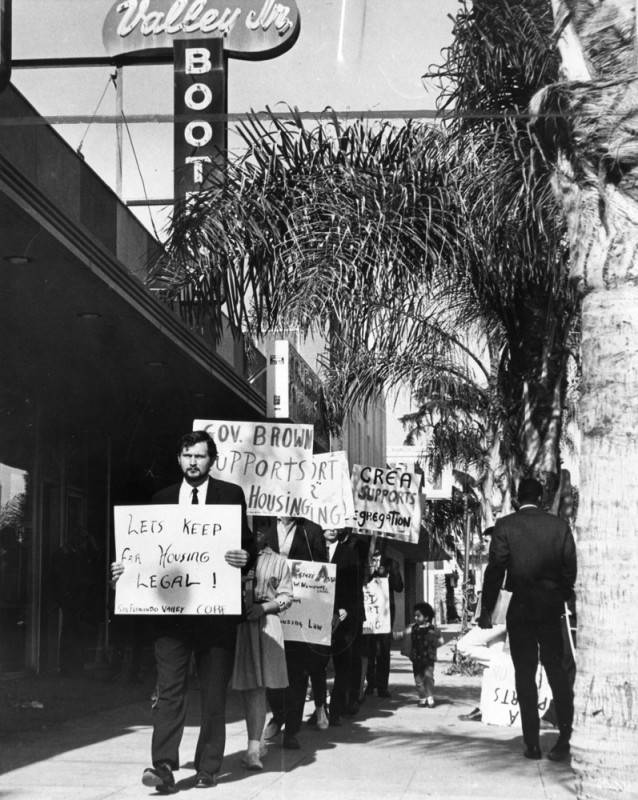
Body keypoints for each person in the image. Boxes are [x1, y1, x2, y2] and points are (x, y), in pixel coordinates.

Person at [111, 430, 254, 792]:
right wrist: (124, 572)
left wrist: (244, 557)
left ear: (212, 460)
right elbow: (145, 551)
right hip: (171, 618)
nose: (193, 462)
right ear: (179, 459)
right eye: (187, 455)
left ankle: (208, 766)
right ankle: (163, 766)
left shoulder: (231, 497)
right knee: (169, 692)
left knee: (212, 695)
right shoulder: (161, 498)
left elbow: (247, 547)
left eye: (200, 456)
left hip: (216, 616)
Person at [478, 477, 577, 762]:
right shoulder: (559, 527)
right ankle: (564, 738)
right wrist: (562, 594)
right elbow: (570, 567)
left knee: (524, 674)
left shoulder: (506, 526)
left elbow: (495, 569)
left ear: (517, 499)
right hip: (550, 609)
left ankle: (531, 743)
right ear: (542, 498)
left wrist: (487, 608)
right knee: (556, 671)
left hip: (520, 609)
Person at [262, 516, 330, 748]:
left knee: (297, 674)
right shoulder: (266, 528)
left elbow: (323, 571)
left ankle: (291, 729)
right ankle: (278, 715)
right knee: (270, 671)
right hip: (272, 608)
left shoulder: (311, 530)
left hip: (300, 613)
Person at [231, 520, 293, 770]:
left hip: (266, 624)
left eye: (262, 527)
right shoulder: (235, 557)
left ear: (269, 531)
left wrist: (264, 607)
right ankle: (257, 742)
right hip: (240, 625)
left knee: (259, 688)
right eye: (252, 527)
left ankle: (253, 748)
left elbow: (287, 596)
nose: (257, 533)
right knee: (248, 688)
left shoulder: (277, 561)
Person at [324, 526, 368, 726]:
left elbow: (355, 586)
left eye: (335, 525)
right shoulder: (312, 552)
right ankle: (319, 710)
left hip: (342, 618)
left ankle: (336, 710)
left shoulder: (349, 554)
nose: (332, 529)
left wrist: (347, 609)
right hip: (316, 618)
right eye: (327, 524)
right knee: (317, 667)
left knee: (343, 665)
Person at [364, 547, 404, 698]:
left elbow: (399, 587)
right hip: (368, 610)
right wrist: (371, 571)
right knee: (369, 649)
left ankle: (382, 686)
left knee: (384, 649)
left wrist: (390, 573)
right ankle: (370, 683)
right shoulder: (364, 560)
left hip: (385, 613)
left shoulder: (390, 563)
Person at [394, 602, 443, 707]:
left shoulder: (433, 629)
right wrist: (397, 636)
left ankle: (429, 696)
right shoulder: (412, 628)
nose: (415, 618)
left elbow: (440, 640)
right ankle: (422, 697)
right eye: (415, 616)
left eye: (418, 616)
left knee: (428, 677)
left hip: (429, 658)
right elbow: (403, 634)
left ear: (426, 617)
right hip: (416, 658)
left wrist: (435, 642)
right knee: (418, 679)